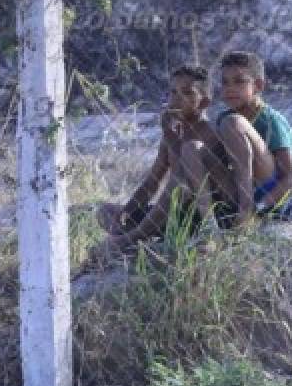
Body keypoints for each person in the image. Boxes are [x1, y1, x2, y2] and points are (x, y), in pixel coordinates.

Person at [94, 64, 230, 258]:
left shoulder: (209, 132)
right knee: (105, 211)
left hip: (196, 213)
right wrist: (127, 210)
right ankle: (137, 237)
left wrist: (169, 134)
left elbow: (183, 174)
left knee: (178, 187)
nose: (176, 98)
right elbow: (152, 182)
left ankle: (132, 238)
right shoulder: (173, 133)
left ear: (204, 102)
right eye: (173, 92)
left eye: (186, 93)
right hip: (167, 212)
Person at [213, 50, 292, 225]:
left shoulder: (271, 121)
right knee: (193, 148)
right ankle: (208, 219)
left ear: (258, 86)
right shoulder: (222, 118)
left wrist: (260, 208)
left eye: (239, 81)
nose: (229, 88)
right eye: (225, 82)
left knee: (233, 123)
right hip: (241, 191)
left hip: (276, 197)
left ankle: (247, 210)